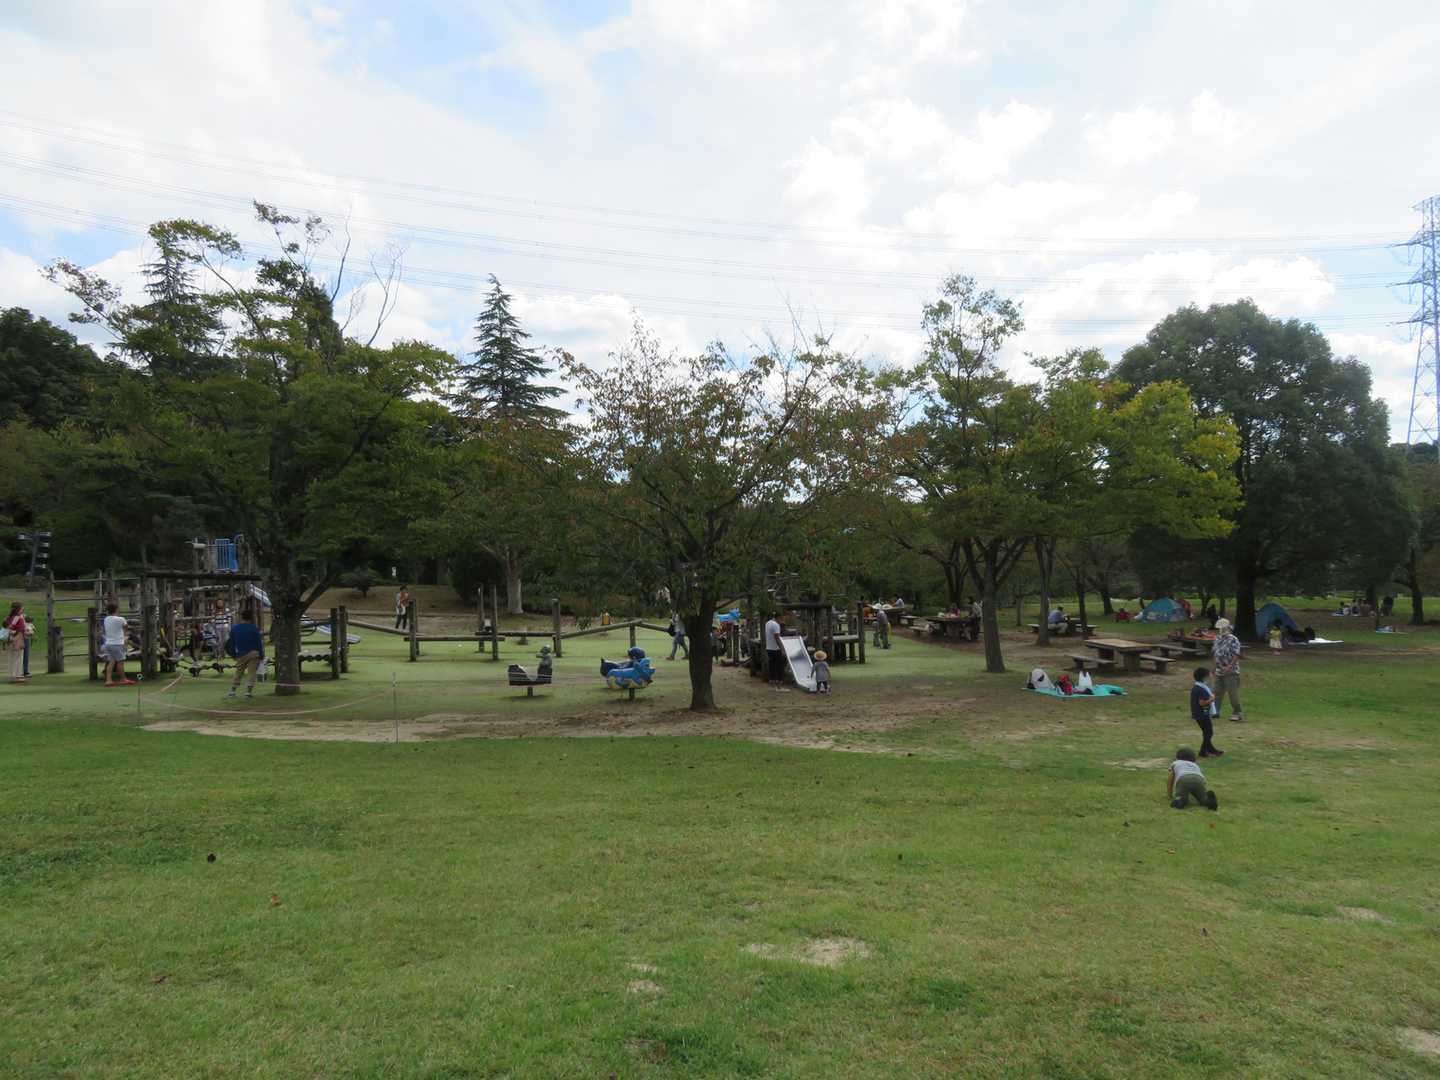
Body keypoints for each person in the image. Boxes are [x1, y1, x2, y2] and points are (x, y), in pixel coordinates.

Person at [225, 606, 265, 699]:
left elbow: (231, 643)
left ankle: (232, 691)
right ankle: (248, 692)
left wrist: (233, 654)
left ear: (241, 617)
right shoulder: (254, 628)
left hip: (241, 653)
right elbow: (259, 643)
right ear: (251, 618)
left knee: (238, 672)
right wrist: (262, 654)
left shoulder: (235, 628)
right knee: (252, 672)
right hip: (254, 653)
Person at [1211, 618, 1244, 722]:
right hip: (1219, 669)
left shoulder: (1233, 639)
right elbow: (1215, 653)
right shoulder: (1217, 639)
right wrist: (1214, 667)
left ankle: (1237, 712)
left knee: (1232, 692)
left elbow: (1236, 654)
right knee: (1216, 691)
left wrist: (1229, 666)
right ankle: (1215, 711)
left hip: (1231, 671)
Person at [1190, 667, 1223, 758]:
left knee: (1207, 732)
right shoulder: (1201, 689)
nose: (1210, 676)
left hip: (1199, 714)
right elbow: (1202, 703)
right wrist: (1212, 699)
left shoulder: (1197, 687)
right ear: (1204, 677)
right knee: (1209, 732)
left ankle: (1211, 750)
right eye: (1209, 675)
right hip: (1202, 714)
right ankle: (1203, 751)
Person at [101, 602, 134, 687]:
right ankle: (123, 679)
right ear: (116, 609)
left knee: (111, 662)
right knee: (120, 662)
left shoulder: (106, 619)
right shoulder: (121, 619)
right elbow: (126, 627)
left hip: (108, 643)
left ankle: (108, 680)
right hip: (117, 643)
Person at [4, 601, 30, 684]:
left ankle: (12, 676)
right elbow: (22, 629)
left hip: (10, 639)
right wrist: (27, 632)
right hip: (18, 638)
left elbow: (6, 627)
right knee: (18, 658)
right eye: (22, 608)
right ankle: (17, 676)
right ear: (18, 609)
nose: (23, 609)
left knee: (12, 658)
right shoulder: (19, 617)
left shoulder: (9, 617)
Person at [764, 613, 787, 691]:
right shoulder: (776, 625)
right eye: (782, 619)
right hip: (776, 649)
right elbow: (777, 638)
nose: (782, 621)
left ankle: (772, 686)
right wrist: (783, 649)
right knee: (780, 667)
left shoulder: (768, 623)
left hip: (769, 648)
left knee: (772, 667)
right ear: (779, 617)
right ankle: (779, 687)